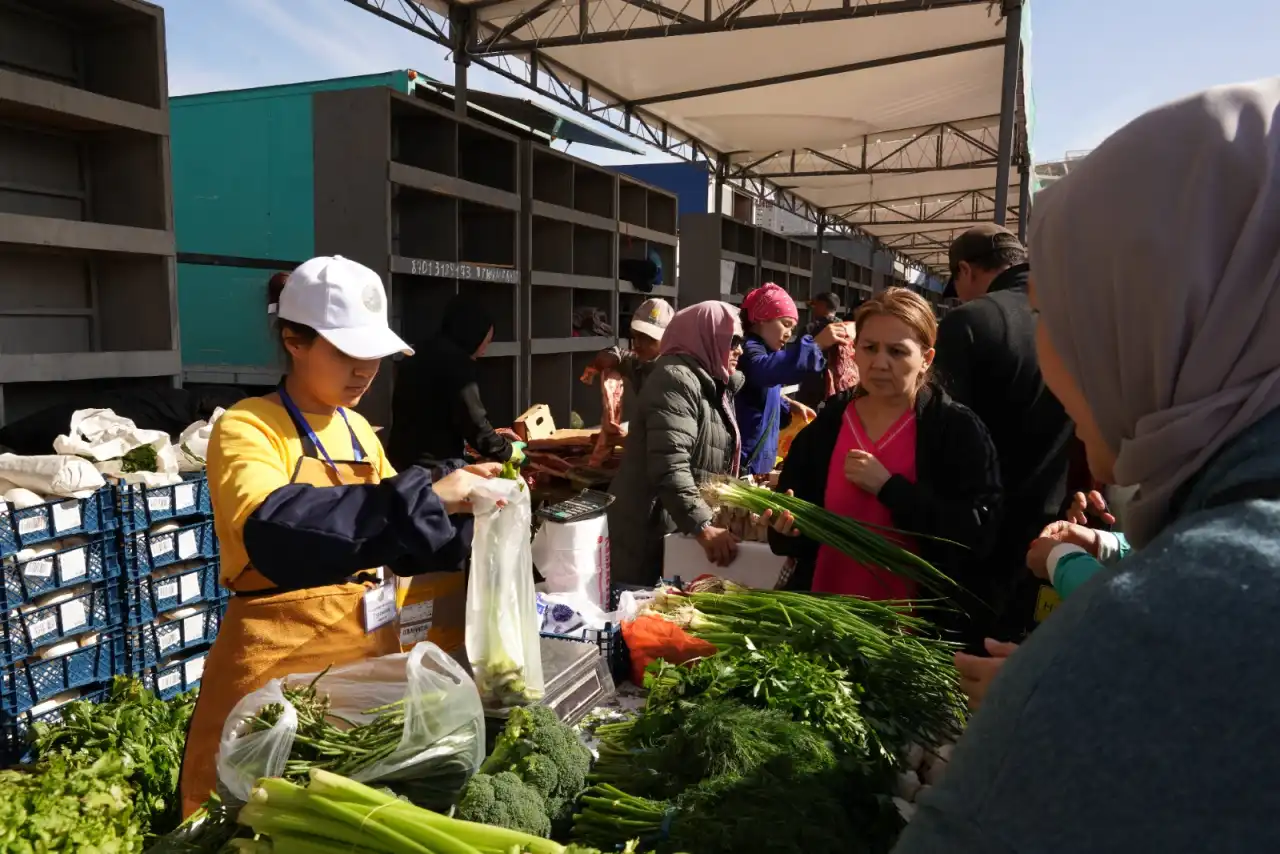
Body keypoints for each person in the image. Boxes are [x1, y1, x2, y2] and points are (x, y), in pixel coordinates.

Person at [894, 78, 1280, 854]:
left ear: (1151, 318)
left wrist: (1062, 707)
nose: (1047, 355)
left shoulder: (1183, 621)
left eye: (1051, 315)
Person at [179, 257, 495, 816]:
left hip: (363, 666)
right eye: (347, 353)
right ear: (294, 340)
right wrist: (425, 497)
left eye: (372, 355)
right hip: (274, 669)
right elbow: (274, 529)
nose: (364, 371)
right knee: (248, 818)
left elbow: (390, 531)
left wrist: (475, 516)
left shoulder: (355, 429)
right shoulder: (246, 427)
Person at [767, 289, 1000, 642]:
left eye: (897, 351)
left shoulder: (954, 430)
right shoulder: (829, 425)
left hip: (909, 640)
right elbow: (792, 519)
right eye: (870, 348)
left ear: (926, 358)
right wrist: (785, 529)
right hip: (824, 625)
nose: (879, 363)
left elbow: (977, 532)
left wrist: (891, 490)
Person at [932, 224, 1073, 642]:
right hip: (1054, 531)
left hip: (976, 540)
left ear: (965, 270)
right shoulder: (1071, 318)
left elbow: (942, 437)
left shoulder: (970, 321)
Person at [607, 302, 745, 585]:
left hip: (674, 528)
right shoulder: (675, 380)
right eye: (733, 341)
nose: (739, 350)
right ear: (705, 336)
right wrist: (703, 526)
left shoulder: (712, 381)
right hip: (650, 532)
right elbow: (670, 463)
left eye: (741, 341)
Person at [386, 294, 519, 471]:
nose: (484, 351)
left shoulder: (419, 352)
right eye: (485, 342)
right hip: (434, 468)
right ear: (473, 335)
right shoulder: (457, 365)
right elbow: (475, 424)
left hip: (401, 462)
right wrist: (509, 452)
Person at [736, 283, 848, 476]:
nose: (789, 333)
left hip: (759, 458)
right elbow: (764, 370)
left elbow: (760, 393)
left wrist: (788, 405)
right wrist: (816, 345)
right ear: (761, 319)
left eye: (792, 327)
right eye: (785, 324)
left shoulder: (764, 352)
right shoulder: (747, 349)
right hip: (746, 458)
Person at [584, 297, 674, 401]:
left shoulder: (675, 378)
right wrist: (613, 356)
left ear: (667, 338)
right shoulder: (641, 365)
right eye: (636, 336)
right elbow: (624, 356)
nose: (637, 343)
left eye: (648, 338)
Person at [794, 292, 860, 409]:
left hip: (813, 390)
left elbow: (797, 358)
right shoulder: (849, 329)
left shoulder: (810, 329)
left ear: (822, 305)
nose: (813, 309)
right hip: (842, 391)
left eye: (815, 305)